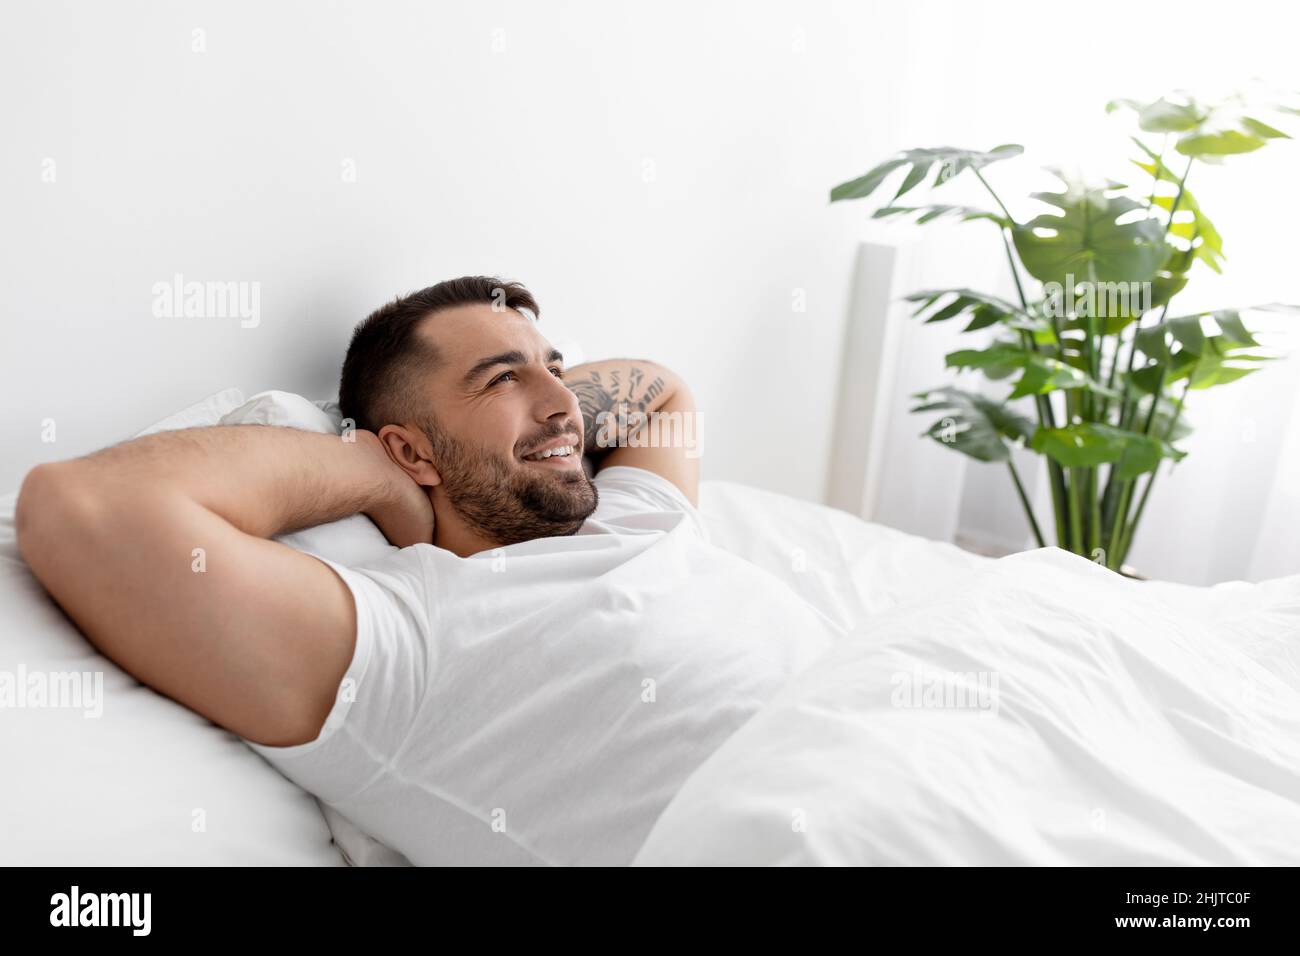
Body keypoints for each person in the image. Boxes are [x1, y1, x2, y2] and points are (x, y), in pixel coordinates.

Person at [15, 276, 838, 865]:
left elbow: (662, 390)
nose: (562, 404)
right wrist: (375, 474)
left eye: (554, 365)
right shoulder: (413, 640)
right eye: (502, 379)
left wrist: (527, 404)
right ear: (409, 448)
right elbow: (81, 506)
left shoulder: (630, 512)